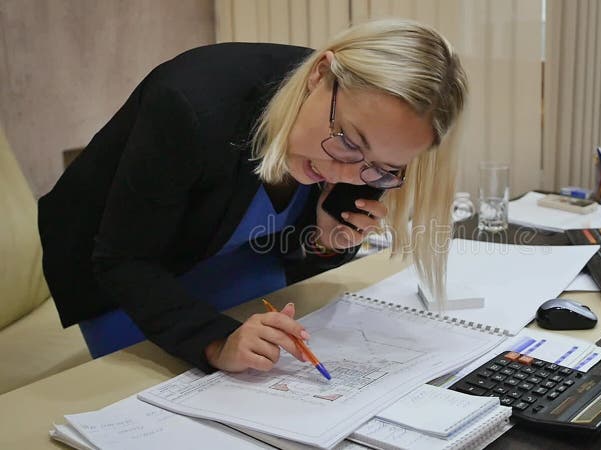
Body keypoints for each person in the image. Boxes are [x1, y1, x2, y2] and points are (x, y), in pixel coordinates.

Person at [38, 19, 467, 374]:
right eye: (349, 143)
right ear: (319, 75)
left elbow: (296, 250)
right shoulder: (191, 105)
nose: (347, 172)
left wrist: (323, 240)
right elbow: (121, 260)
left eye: (381, 168)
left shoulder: (370, 148)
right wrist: (215, 341)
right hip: (127, 277)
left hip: (244, 267)